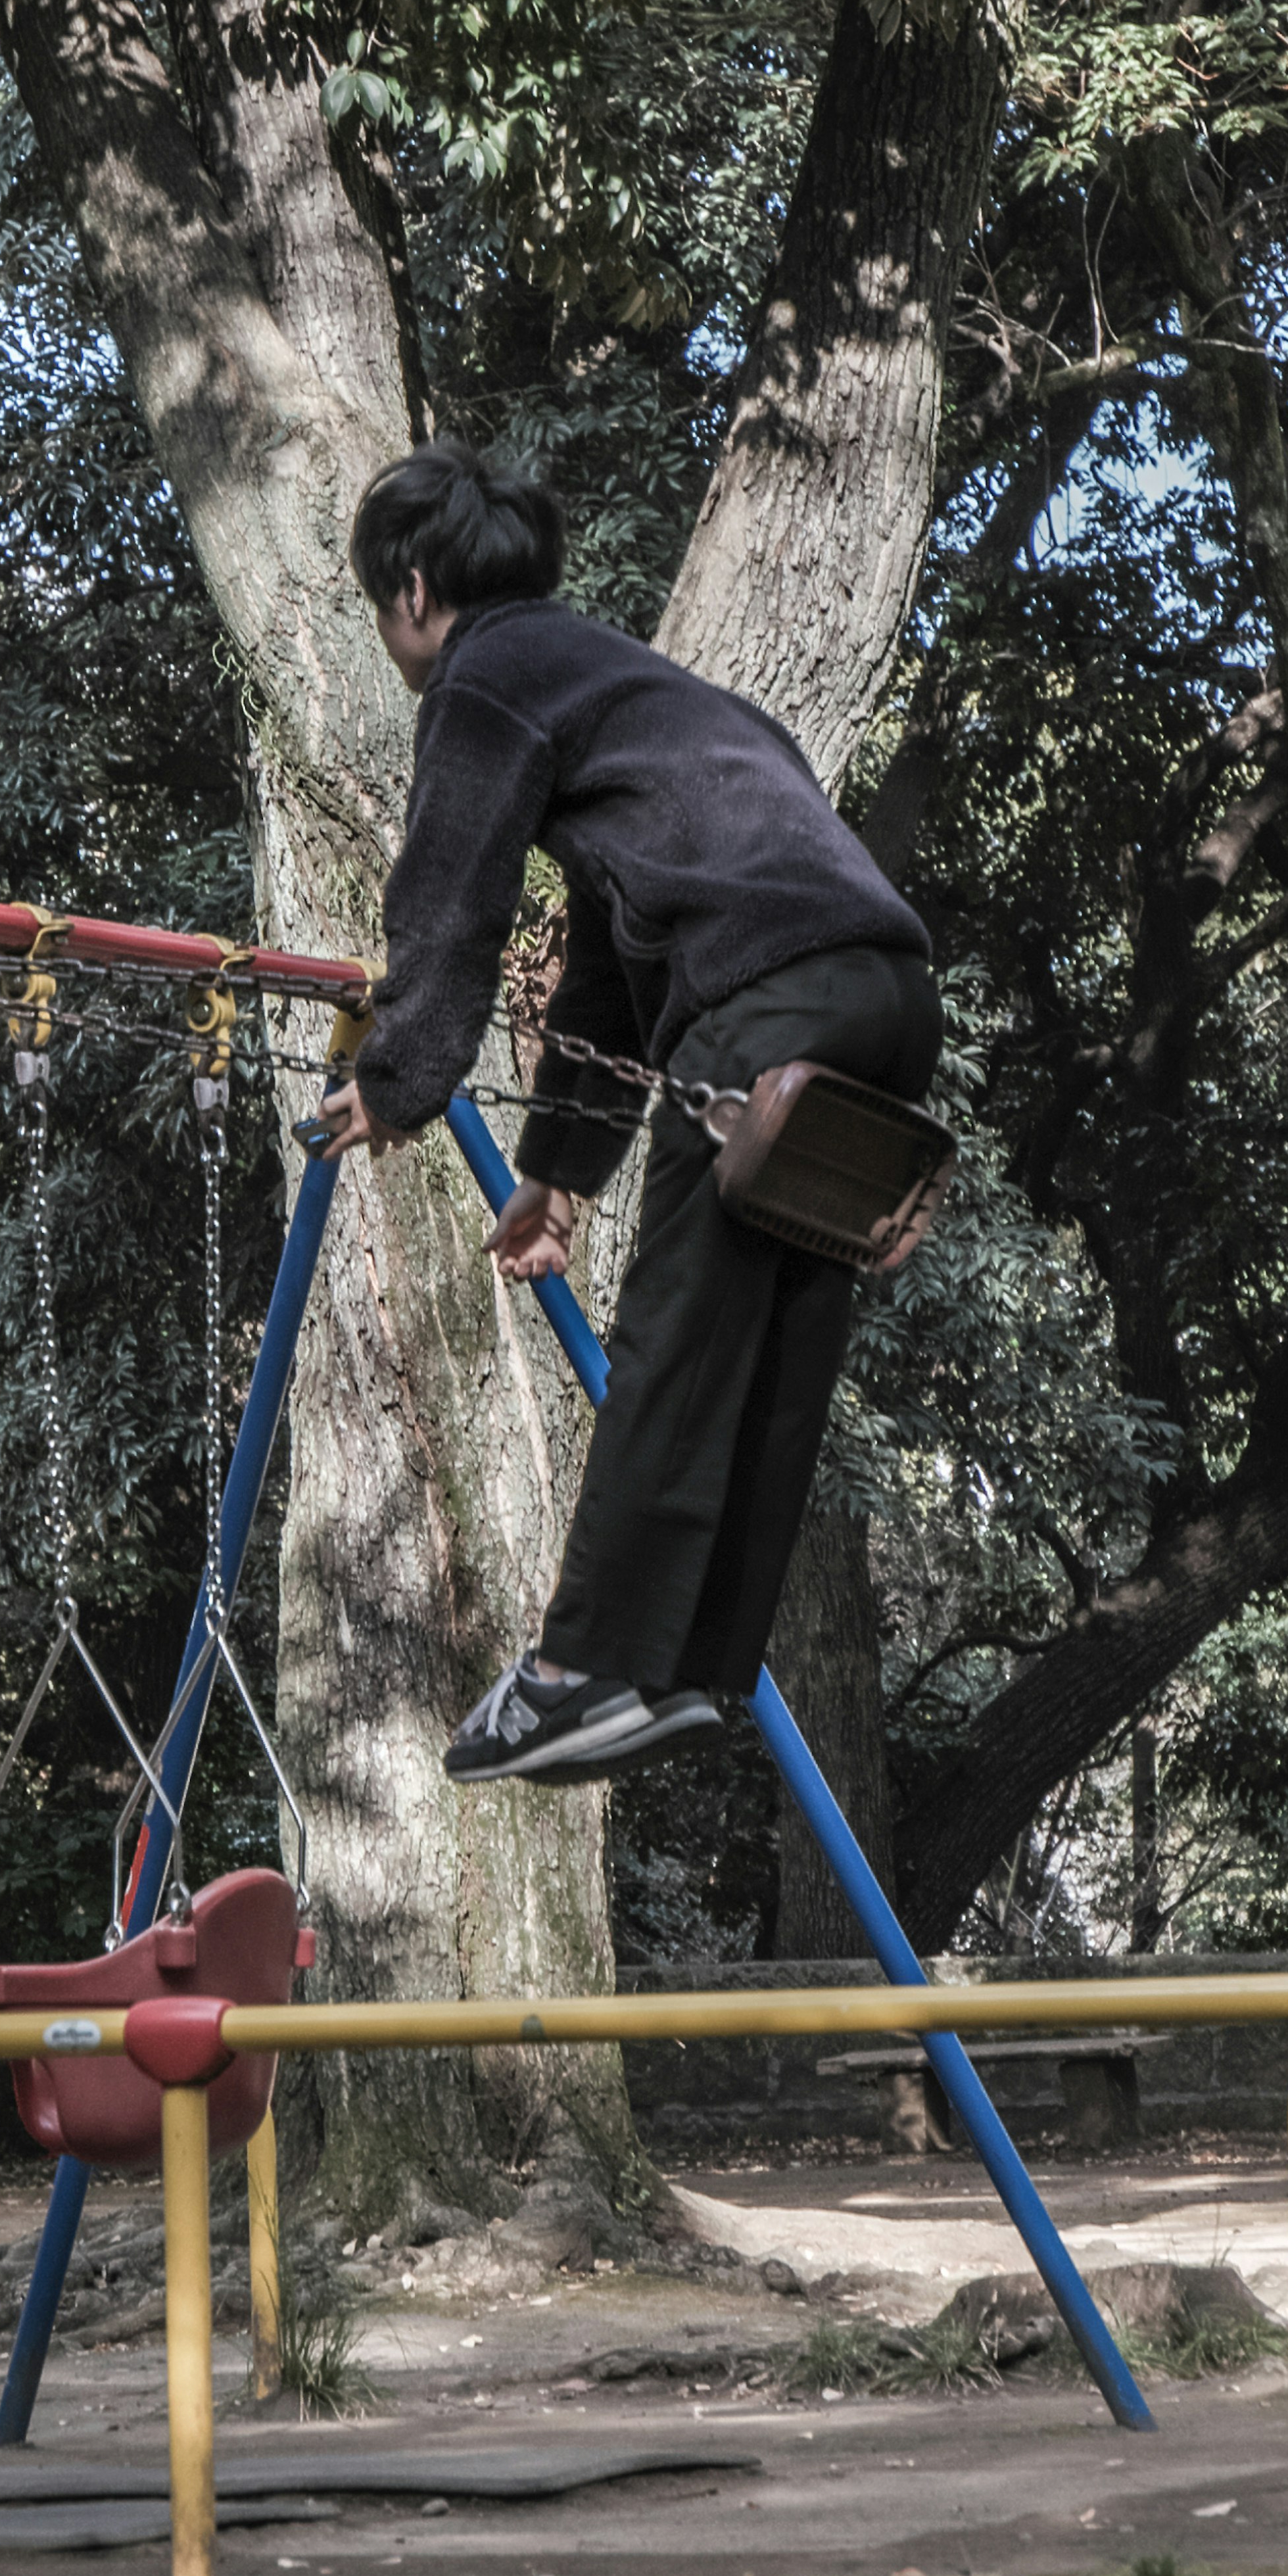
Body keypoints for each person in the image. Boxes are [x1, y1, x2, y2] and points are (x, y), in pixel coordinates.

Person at [315, 437, 941, 1787]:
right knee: (769, 1336)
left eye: (380, 609)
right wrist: (561, 1169)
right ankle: (693, 1675)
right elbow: (607, 960)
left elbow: (453, 888)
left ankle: (578, 1668)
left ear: (414, 588)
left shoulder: (489, 676)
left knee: (673, 1329)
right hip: (886, 993)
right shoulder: (645, 690)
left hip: (767, 1001)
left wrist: (396, 1075)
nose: (391, 637)